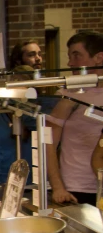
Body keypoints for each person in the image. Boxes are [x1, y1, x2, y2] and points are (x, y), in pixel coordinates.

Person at [46, 31, 103, 205]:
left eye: (76, 56)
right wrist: (58, 187)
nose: (70, 63)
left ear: (99, 58)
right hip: (74, 189)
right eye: (70, 56)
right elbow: (47, 143)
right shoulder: (68, 95)